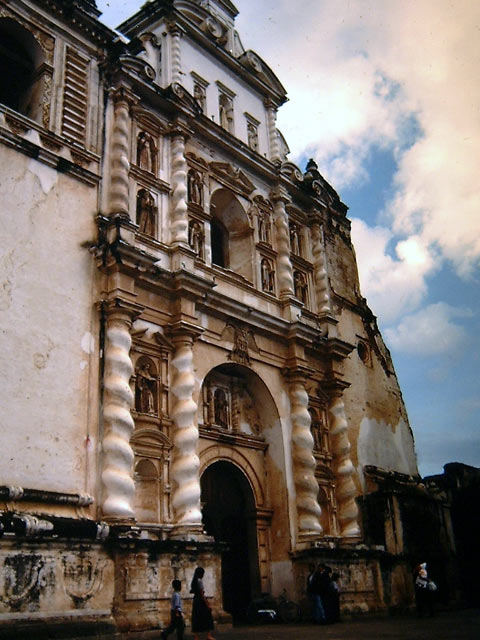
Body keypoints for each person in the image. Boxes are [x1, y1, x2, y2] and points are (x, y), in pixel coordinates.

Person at [190, 566, 215, 640]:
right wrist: (207, 604)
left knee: (196, 617)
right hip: (200, 600)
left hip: (196, 601)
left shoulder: (194, 581)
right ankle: (208, 635)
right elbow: (201, 594)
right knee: (208, 616)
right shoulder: (199, 581)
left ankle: (196, 636)